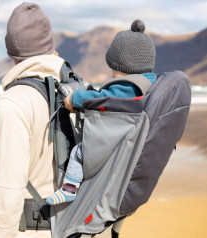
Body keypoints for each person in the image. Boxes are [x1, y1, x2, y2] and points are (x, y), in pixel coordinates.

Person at [46, 19, 157, 205]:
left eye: (113, 69)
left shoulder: (127, 87)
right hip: (130, 138)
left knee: (78, 153)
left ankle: (69, 189)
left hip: (113, 140)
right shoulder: (149, 84)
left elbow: (99, 98)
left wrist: (73, 99)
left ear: (122, 68)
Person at [0, 3, 65, 238]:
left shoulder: (14, 102)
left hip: (34, 230)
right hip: (72, 224)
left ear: (11, 50)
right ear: (50, 45)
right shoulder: (73, 89)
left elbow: (8, 186)